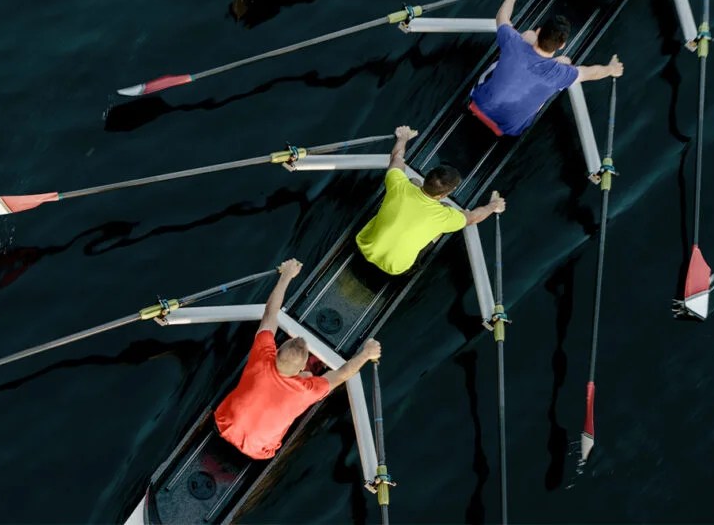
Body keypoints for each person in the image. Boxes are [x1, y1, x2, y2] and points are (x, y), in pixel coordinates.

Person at [214, 258, 382, 460]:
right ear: (302, 364)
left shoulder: (261, 357)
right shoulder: (307, 392)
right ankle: (310, 370)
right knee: (311, 375)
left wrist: (286, 276)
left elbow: (270, 312)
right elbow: (343, 373)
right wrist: (367, 353)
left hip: (222, 424)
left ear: (275, 351)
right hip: (259, 452)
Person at [469, 0, 625, 138]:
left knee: (525, 36)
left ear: (539, 31)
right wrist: (612, 69)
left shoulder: (512, 43)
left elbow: (502, 17)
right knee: (565, 62)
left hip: (477, 102)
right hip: (508, 128)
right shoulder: (559, 74)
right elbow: (592, 72)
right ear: (562, 45)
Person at [356, 126, 507, 275]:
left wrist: (403, 137)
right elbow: (474, 217)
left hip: (364, 244)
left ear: (428, 175)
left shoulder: (398, 184)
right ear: (445, 193)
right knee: (445, 220)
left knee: (411, 182)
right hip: (395, 268)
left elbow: (396, 157)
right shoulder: (445, 216)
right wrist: (494, 205)